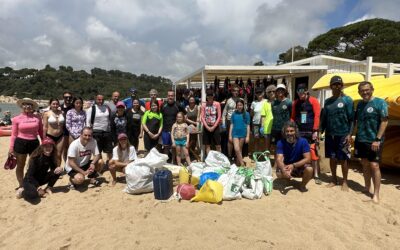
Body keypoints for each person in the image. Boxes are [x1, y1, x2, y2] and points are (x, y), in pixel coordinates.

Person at [354, 81, 388, 204]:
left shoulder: (380, 102)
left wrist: (377, 139)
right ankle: (366, 187)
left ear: (372, 89)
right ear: (359, 92)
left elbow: (384, 121)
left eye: (367, 90)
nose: (365, 92)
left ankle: (376, 194)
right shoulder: (359, 105)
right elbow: (357, 121)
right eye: (362, 90)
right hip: (361, 139)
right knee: (364, 164)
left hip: (374, 141)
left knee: (374, 165)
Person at [320, 76, 354, 191]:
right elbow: (323, 119)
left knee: (344, 158)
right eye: (334, 84)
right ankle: (334, 179)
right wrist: (321, 131)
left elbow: (352, 119)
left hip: (343, 135)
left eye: (339, 84)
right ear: (331, 86)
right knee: (332, 158)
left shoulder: (347, 100)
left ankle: (345, 181)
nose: (337, 86)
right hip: (330, 135)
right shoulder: (327, 102)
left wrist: (349, 134)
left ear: (342, 85)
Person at [9, 98, 43, 188]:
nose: (27, 106)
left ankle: (32, 181)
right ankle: (21, 184)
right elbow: (14, 134)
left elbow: (41, 131)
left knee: (34, 164)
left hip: (34, 143)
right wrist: (11, 148)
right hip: (20, 143)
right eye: (25, 104)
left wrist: (44, 142)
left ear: (32, 107)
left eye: (29, 104)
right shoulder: (16, 119)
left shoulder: (37, 117)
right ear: (21, 106)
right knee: (21, 165)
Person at [291, 83, 321, 184]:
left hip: (311, 131)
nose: (301, 94)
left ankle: (316, 174)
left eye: (302, 92)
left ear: (306, 91)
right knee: (299, 151)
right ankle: (301, 171)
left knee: (313, 152)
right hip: (299, 131)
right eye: (298, 92)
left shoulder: (314, 101)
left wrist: (316, 130)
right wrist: (291, 128)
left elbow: (317, 116)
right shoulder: (296, 102)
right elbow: (293, 117)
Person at [276, 121, 313, 192]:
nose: (289, 133)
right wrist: (284, 169)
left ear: (296, 131)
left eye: (291, 131)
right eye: (287, 131)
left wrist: (293, 165)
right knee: (278, 173)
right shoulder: (280, 142)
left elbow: (308, 159)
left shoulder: (303, 141)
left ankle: (302, 185)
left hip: (299, 166)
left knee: (310, 169)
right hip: (287, 166)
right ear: (284, 132)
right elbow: (279, 159)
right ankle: (287, 179)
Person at [86, 94, 113, 166]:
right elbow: (88, 123)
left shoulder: (107, 108)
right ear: (96, 99)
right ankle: (101, 165)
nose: (101, 101)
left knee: (109, 150)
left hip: (106, 132)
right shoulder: (91, 109)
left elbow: (109, 120)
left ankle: (110, 165)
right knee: (98, 151)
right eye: (99, 99)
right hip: (96, 132)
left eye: (102, 99)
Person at [161, 90, 185, 163]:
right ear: (167, 96)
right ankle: (165, 161)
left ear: (174, 96)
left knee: (174, 147)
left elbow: (184, 115)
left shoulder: (178, 105)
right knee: (166, 147)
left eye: (172, 96)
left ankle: (173, 161)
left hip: (175, 130)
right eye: (169, 95)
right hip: (165, 129)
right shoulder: (163, 105)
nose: (170, 97)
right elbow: (159, 116)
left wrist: (182, 126)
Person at [42, 98, 64, 167]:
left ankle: (58, 169)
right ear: (50, 105)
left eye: (57, 104)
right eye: (53, 104)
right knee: (49, 153)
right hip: (50, 136)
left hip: (61, 136)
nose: (55, 105)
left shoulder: (62, 113)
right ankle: (49, 168)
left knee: (58, 154)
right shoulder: (46, 114)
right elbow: (45, 127)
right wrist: (44, 138)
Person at [271, 83, 292, 155]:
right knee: (275, 146)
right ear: (276, 92)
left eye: (282, 90)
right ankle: (277, 163)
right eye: (278, 90)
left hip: (285, 129)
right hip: (275, 128)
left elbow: (291, 114)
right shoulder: (273, 103)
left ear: (284, 91)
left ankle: (284, 162)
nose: (280, 92)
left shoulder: (289, 102)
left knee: (285, 145)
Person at [229, 99, 250, 166]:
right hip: (235, 133)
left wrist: (247, 136)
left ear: (243, 105)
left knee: (239, 150)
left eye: (240, 105)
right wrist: (230, 135)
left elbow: (248, 125)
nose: (239, 106)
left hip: (243, 134)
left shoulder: (246, 114)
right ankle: (242, 164)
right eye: (238, 105)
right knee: (236, 148)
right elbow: (231, 125)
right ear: (236, 106)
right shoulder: (234, 114)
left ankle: (238, 164)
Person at [222, 84, 241, 158]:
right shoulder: (229, 100)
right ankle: (229, 155)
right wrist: (223, 123)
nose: (236, 92)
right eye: (234, 91)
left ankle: (236, 155)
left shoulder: (241, 100)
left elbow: (244, 112)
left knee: (238, 139)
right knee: (230, 139)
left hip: (238, 121)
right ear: (232, 92)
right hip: (229, 122)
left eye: (237, 91)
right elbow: (224, 113)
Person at [201, 89, 222, 154]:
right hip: (206, 126)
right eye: (208, 96)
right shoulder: (204, 105)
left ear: (213, 96)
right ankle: (209, 159)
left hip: (215, 126)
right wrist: (207, 127)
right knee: (207, 144)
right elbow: (202, 117)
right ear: (206, 97)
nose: (210, 97)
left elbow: (219, 116)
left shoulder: (217, 104)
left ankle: (219, 159)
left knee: (218, 144)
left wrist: (214, 126)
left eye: (211, 96)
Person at [250, 87, 267, 153]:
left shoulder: (266, 101)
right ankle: (256, 154)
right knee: (256, 139)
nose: (259, 94)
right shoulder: (254, 102)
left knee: (264, 140)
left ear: (263, 93)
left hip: (264, 124)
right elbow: (251, 113)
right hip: (256, 124)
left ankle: (263, 155)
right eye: (257, 93)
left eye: (260, 92)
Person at [61, 91, 74, 162]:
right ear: (63, 98)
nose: (68, 99)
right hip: (64, 132)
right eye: (66, 97)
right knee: (65, 148)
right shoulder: (59, 108)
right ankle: (66, 163)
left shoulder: (74, 107)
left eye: (70, 97)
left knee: (73, 148)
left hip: (74, 132)